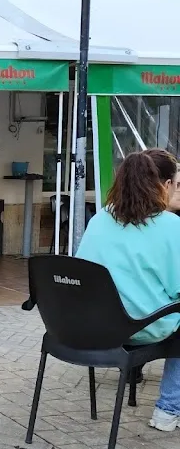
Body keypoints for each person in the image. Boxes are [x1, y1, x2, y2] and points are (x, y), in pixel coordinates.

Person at [77, 149, 180, 431]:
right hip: (142, 329)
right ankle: (168, 410)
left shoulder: (99, 219)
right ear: (166, 185)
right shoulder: (172, 227)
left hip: (93, 326)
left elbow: (82, 271)